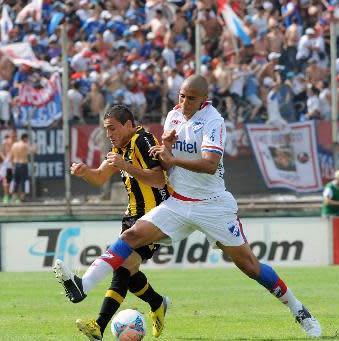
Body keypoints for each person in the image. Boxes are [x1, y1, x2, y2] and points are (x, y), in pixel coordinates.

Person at [54, 75, 322, 338]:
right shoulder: (173, 116)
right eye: (181, 96)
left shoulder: (214, 121)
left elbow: (209, 165)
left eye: (191, 98)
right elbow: (167, 166)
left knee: (249, 266)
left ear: (205, 99)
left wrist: (171, 157)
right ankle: (82, 285)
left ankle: (299, 310)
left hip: (212, 205)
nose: (184, 102)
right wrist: (167, 150)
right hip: (179, 203)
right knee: (131, 236)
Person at [69, 105, 170, 340]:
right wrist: (85, 172)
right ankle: (158, 303)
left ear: (127, 124)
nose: (109, 134)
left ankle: (99, 325)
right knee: (129, 271)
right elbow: (100, 176)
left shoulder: (142, 140)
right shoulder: (119, 147)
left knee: (122, 266)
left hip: (155, 216)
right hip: (132, 216)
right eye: (106, 130)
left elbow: (158, 180)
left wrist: (126, 166)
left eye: (112, 128)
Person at [10, 133, 36, 203]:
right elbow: (32, 150)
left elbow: (11, 157)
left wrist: (12, 166)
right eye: (27, 139)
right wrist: (36, 146)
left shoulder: (14, 145)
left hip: (15, 164)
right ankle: (22, 197)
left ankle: (14, 197)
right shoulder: (24, 145)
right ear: (25, 138)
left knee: (16, 181)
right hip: (23, 164)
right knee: (23, 181)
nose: (27, 140)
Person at [0, 130, 15, 204]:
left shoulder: (17, 143)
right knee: (6, 182)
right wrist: (5, 159)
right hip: (7, 164)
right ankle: (6, 197)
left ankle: (15, 197)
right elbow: (0, 152)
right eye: (11, 133)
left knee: (15, 182)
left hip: (15, 163)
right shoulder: (5, 142)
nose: (12, 134)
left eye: (13, 133)